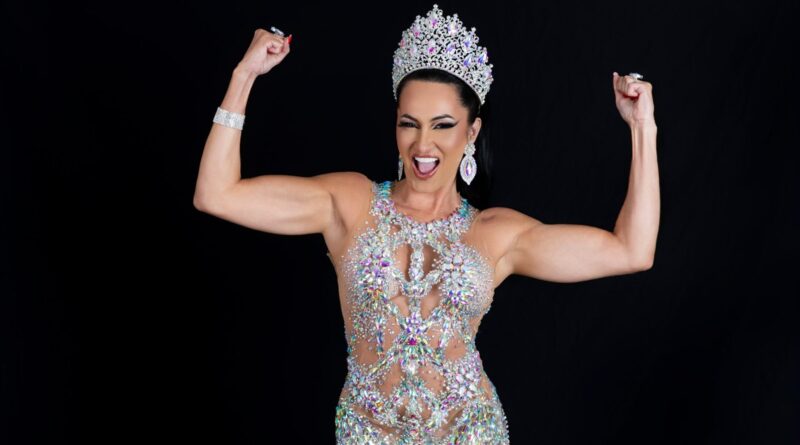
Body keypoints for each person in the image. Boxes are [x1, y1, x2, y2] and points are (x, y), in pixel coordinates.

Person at [194, 4, 659, 444]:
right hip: (369, 432)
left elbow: (631, 251)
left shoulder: (495, 233)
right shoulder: (349, 203)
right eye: (409, 123)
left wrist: (643, 128)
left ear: (471, 132)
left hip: (469, 431)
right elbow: (217, 194)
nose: (422, 144)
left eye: (442, 125)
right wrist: (244, 75)